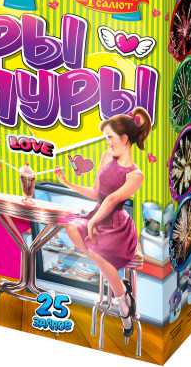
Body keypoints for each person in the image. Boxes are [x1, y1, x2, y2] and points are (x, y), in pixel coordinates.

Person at [55, 107, 151, 337]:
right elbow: (97, 193)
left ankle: (123, 304)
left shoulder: (135, 175)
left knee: (96, 249)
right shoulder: (106, 157)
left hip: (118, 226)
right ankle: (122, 292)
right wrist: (67, 182)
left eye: (110, 137)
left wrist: (92, 223)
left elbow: (112, 200)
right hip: (97, 215)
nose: (107, 142)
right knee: (71, 227)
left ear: (124, 139)